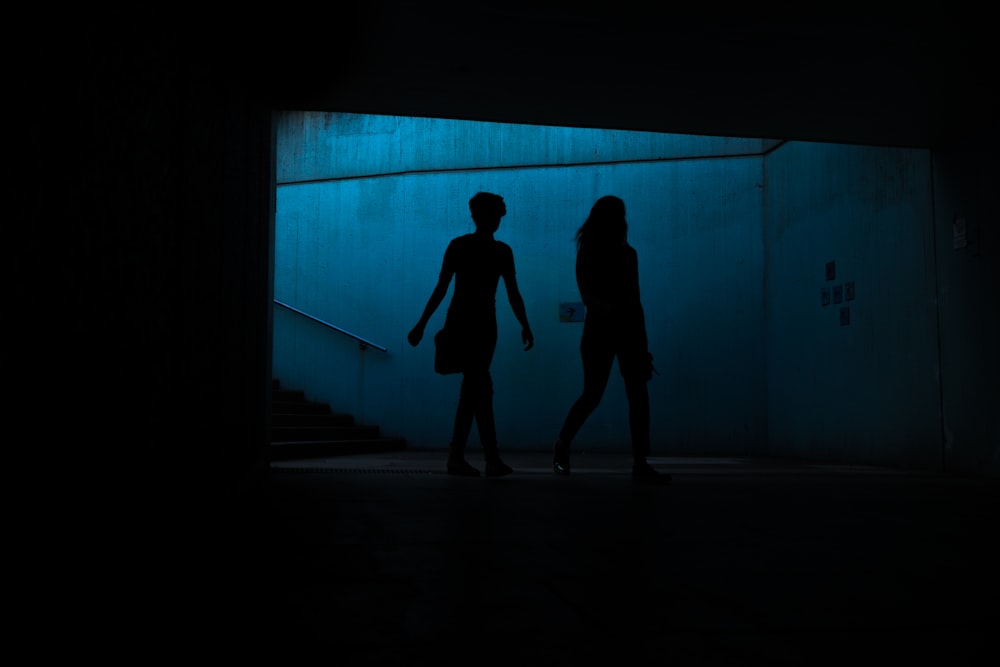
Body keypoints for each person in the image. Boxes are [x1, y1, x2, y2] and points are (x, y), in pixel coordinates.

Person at [409, 192, 534, 477]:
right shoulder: (501, 252)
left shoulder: (460, 246)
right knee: (480, 388)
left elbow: (442, 288)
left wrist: (422, 324)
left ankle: (463, 456)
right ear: (481, 216)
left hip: (463, 323)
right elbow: (511, 293)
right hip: (480, 326)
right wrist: (524, 323)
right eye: (493, 214)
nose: (495, 220)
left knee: (473, 390)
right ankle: (487, 458)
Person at [553, 195, 670, 484]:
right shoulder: (624, 254)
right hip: (622, 331)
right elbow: (630, 301)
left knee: (596, 395)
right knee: (632, 397)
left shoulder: (593, 252)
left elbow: (589, 297)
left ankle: (563, 445)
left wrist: (611, 314)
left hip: (602, 331)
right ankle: (639, 462)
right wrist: (638, 339)